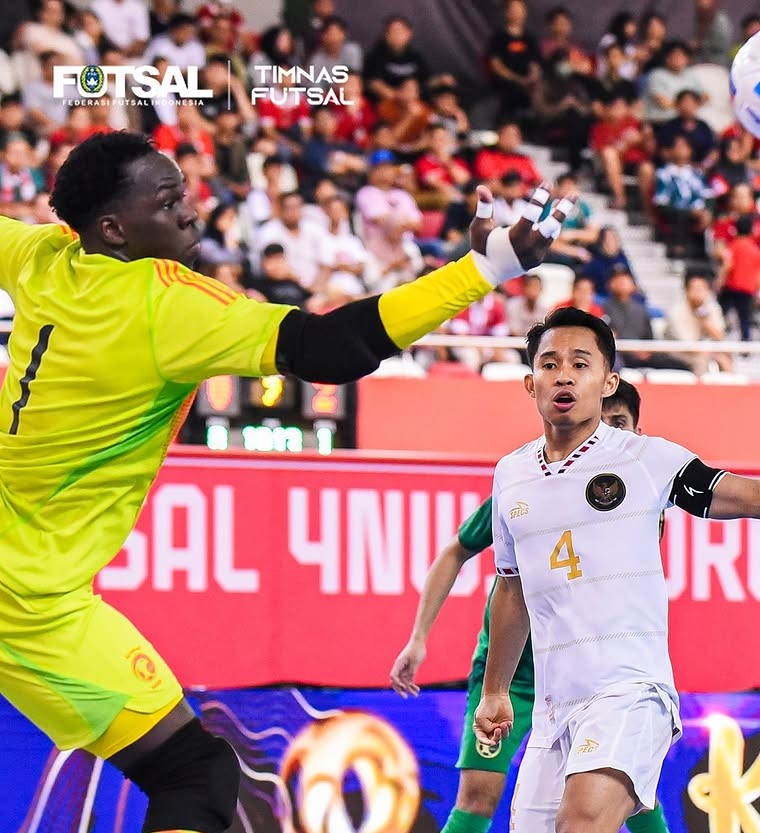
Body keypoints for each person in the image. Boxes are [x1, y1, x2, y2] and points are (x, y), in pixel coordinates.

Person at [0, 131, 577, 833]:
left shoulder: (41, 255)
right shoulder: (164, 305)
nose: (192, 214)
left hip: (32, 587)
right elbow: (329, 349)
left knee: (194, 768)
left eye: (186, 195)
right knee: (195, 771)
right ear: (113, 228)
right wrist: (481, 271)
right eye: (169, 201)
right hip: (30, 597)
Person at [475, 307, 760, 833]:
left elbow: (755, 496)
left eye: (580, 364)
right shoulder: (510, 475)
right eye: (550, 363)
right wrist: (495, 691)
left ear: (608, 382)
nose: (563, 375)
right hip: (553, 713)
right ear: (529, 382)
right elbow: (510, 587)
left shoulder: (648, 460)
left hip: (630, 694)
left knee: (580, 823)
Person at [389, 380, 675, 833]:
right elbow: (456, 552)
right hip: (516, 674)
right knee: (478, 794)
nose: (609, 432)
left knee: (633, 790)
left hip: (595, 675)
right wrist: (418, 639)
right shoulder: (532, 486)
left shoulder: (639, 495)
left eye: (620, 424)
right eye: (604, 421)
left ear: (638, 433)